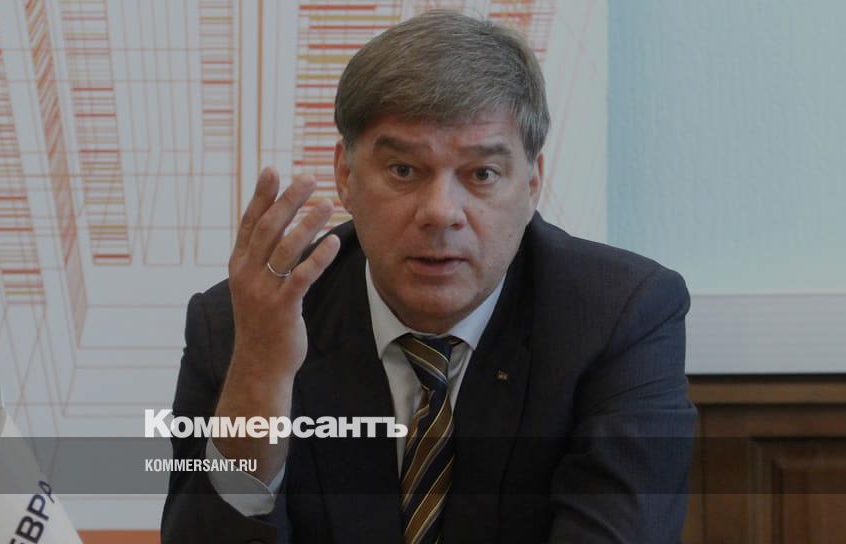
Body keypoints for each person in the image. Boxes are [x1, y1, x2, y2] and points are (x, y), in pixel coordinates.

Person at [162, 10, 694, 544]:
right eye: (404, 170)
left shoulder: (618, 317)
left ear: (532, 184)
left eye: (481, 173)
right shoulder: (247, 324)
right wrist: (260, 375)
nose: (441, 212)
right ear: (345, 176)